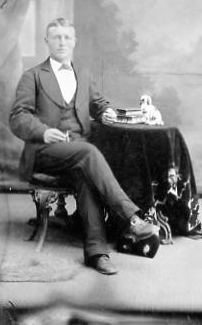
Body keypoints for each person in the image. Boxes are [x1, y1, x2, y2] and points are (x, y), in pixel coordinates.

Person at [9, 17, 159, 275]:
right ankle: (133, 219)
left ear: (74, 42)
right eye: (56, 37)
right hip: (45, 152)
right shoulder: (32, 76)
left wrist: (105, 113)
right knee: (89, 152)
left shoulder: (83, 75)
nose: (62, 42)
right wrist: (43, 132)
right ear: (47, 41)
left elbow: (99, 103)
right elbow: (18, 117)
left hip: (78, 154)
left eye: (67, 37)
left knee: (86, 176)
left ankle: (97, 254)